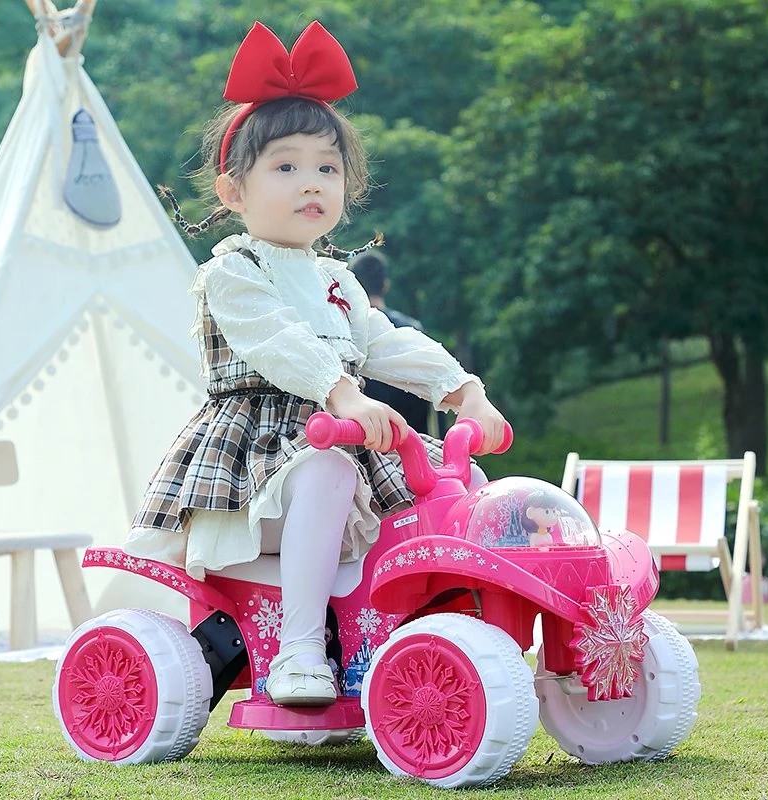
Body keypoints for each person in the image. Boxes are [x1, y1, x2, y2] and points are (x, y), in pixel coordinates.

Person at [123, 20, 506, 708]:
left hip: (338, 435)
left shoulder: (338, 278)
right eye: (287, 165)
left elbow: (384, 342)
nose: (312, 182)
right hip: (257, 464)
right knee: (326, 471)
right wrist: (341, 392)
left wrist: (463, 391)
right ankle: (300, 648)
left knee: (458, 480)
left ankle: (434, 632)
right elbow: (275, 340)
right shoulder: (232, 271)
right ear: (234, 192)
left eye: (327, 168)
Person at [350, 251, 445, 436]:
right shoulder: (411, 330)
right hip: (412, 444)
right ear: (385, 286)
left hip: (359, 444)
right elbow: (435, 390)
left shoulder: (344, 332)